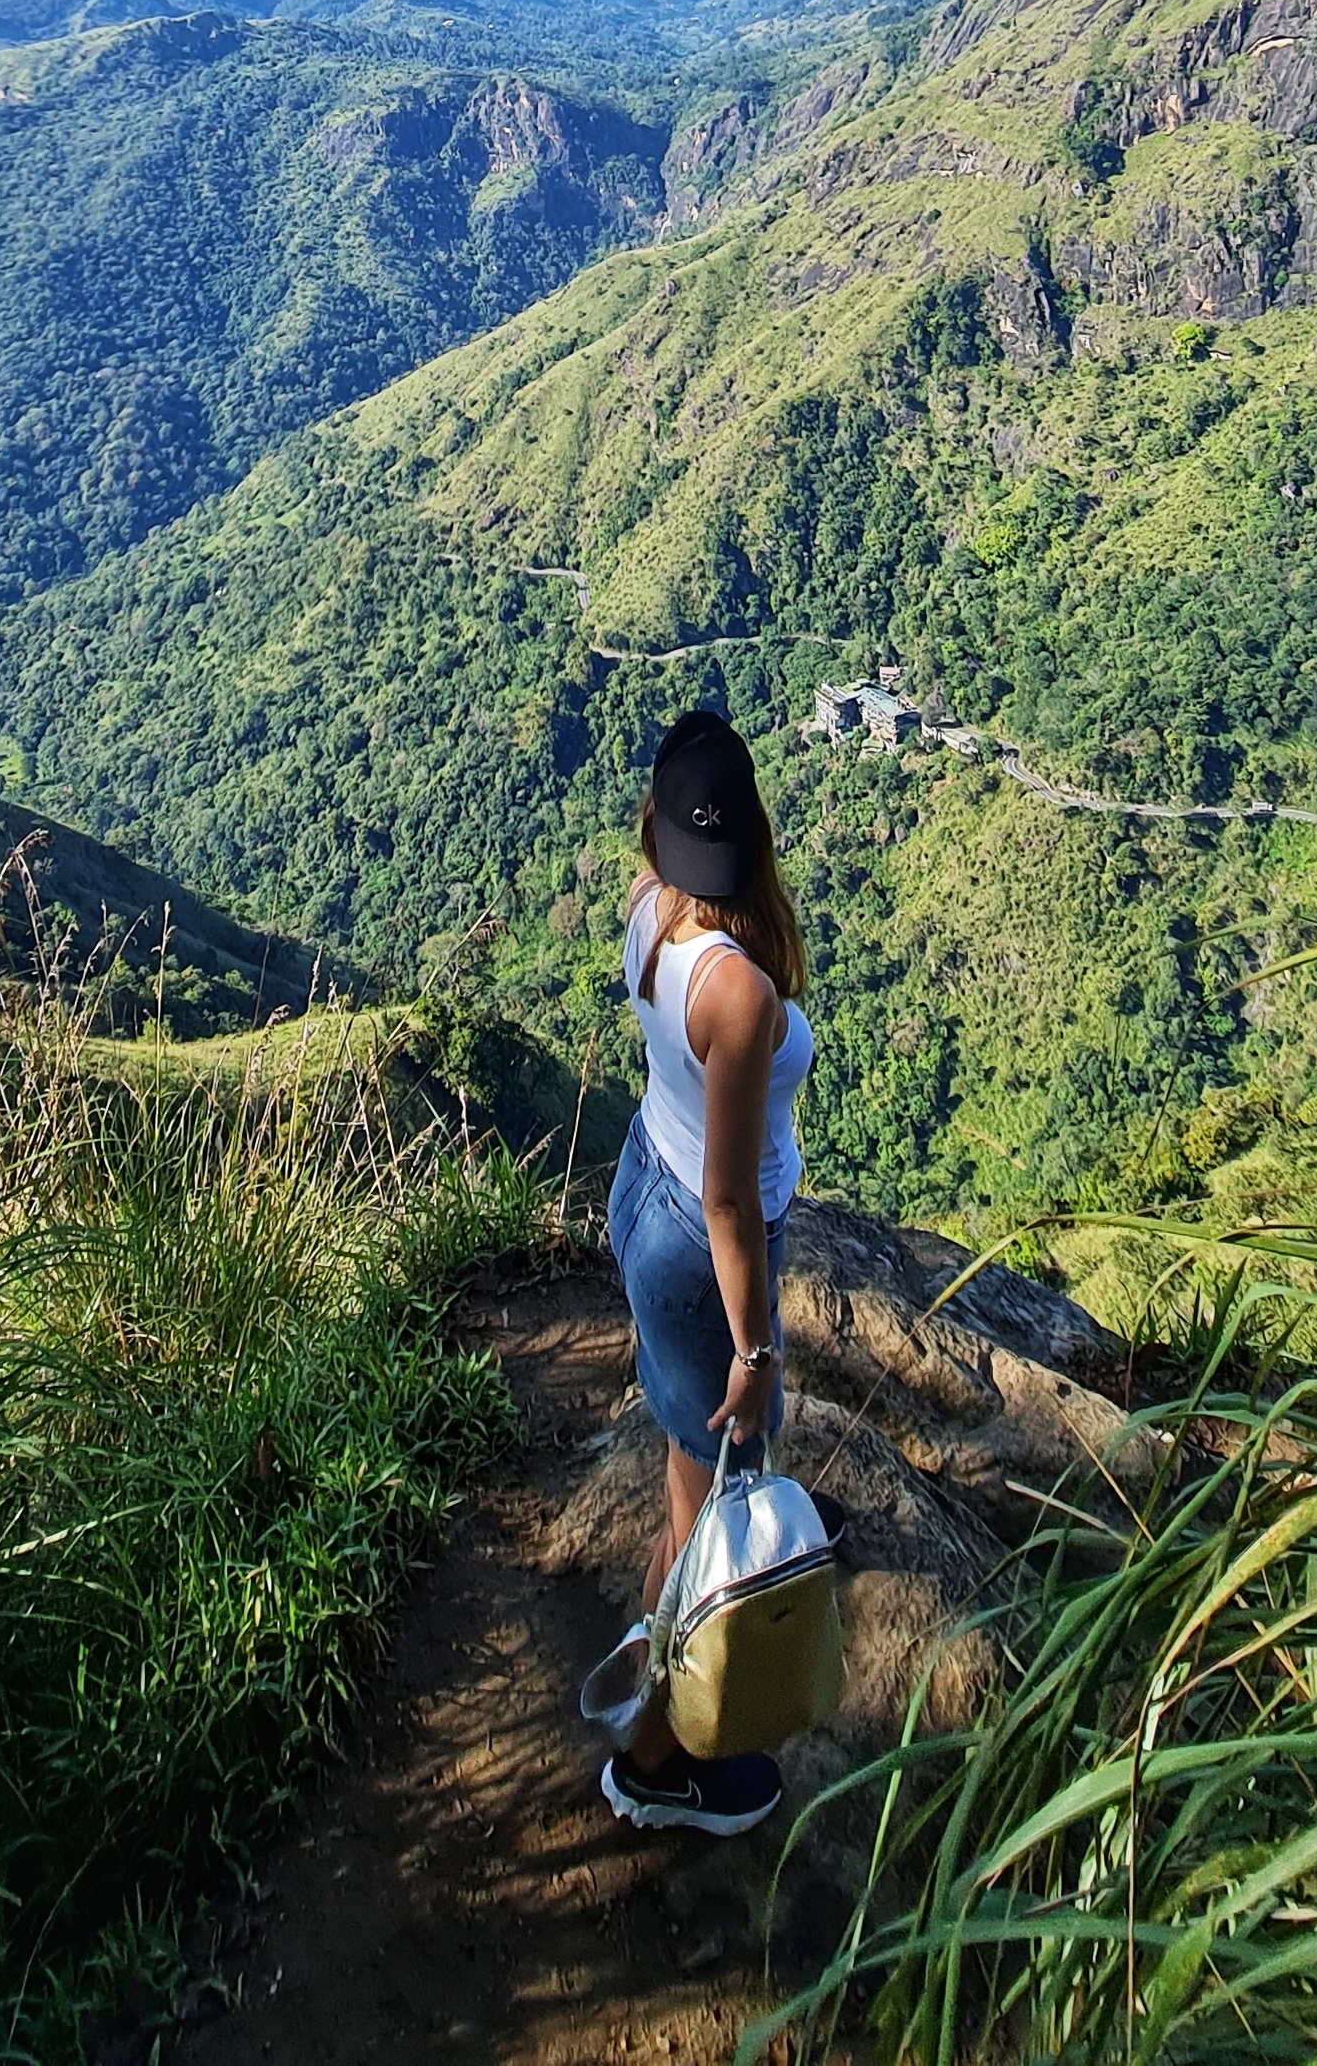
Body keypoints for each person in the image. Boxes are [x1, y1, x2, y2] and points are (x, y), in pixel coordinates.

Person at [598, 706, 815, 1840]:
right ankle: (655, 1759)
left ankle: (650, 1667)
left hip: (645, 1186)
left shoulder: (648, 913)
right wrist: (757, 1347)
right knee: (712, 1503)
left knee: (690, 1478)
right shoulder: (740, 994)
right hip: (700, 1239)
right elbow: (733, 1196)